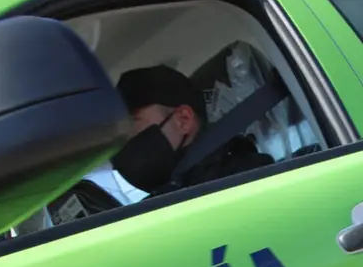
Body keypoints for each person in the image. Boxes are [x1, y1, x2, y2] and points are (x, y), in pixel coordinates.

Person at [110, 64, 275, 196]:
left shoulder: (251, 178)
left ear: (183, 120)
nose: (121, 143)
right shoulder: (162, 202)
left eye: (132, 123)